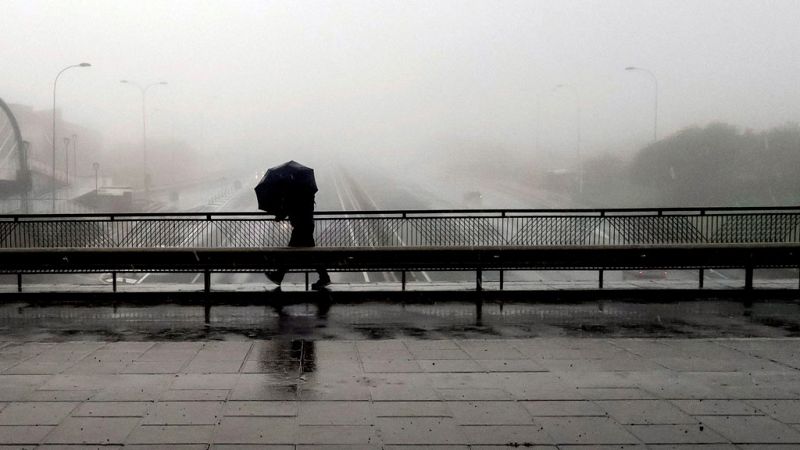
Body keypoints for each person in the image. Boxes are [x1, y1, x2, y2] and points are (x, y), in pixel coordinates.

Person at [265, 190, 331, 290]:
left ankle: (279, 275)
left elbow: (290, 208)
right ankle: (324, 277)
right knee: (311, 254)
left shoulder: (295, 194)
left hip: (300, 227)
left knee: (291, 253)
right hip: (307, 225)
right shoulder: (307, 194)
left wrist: (279, 216)